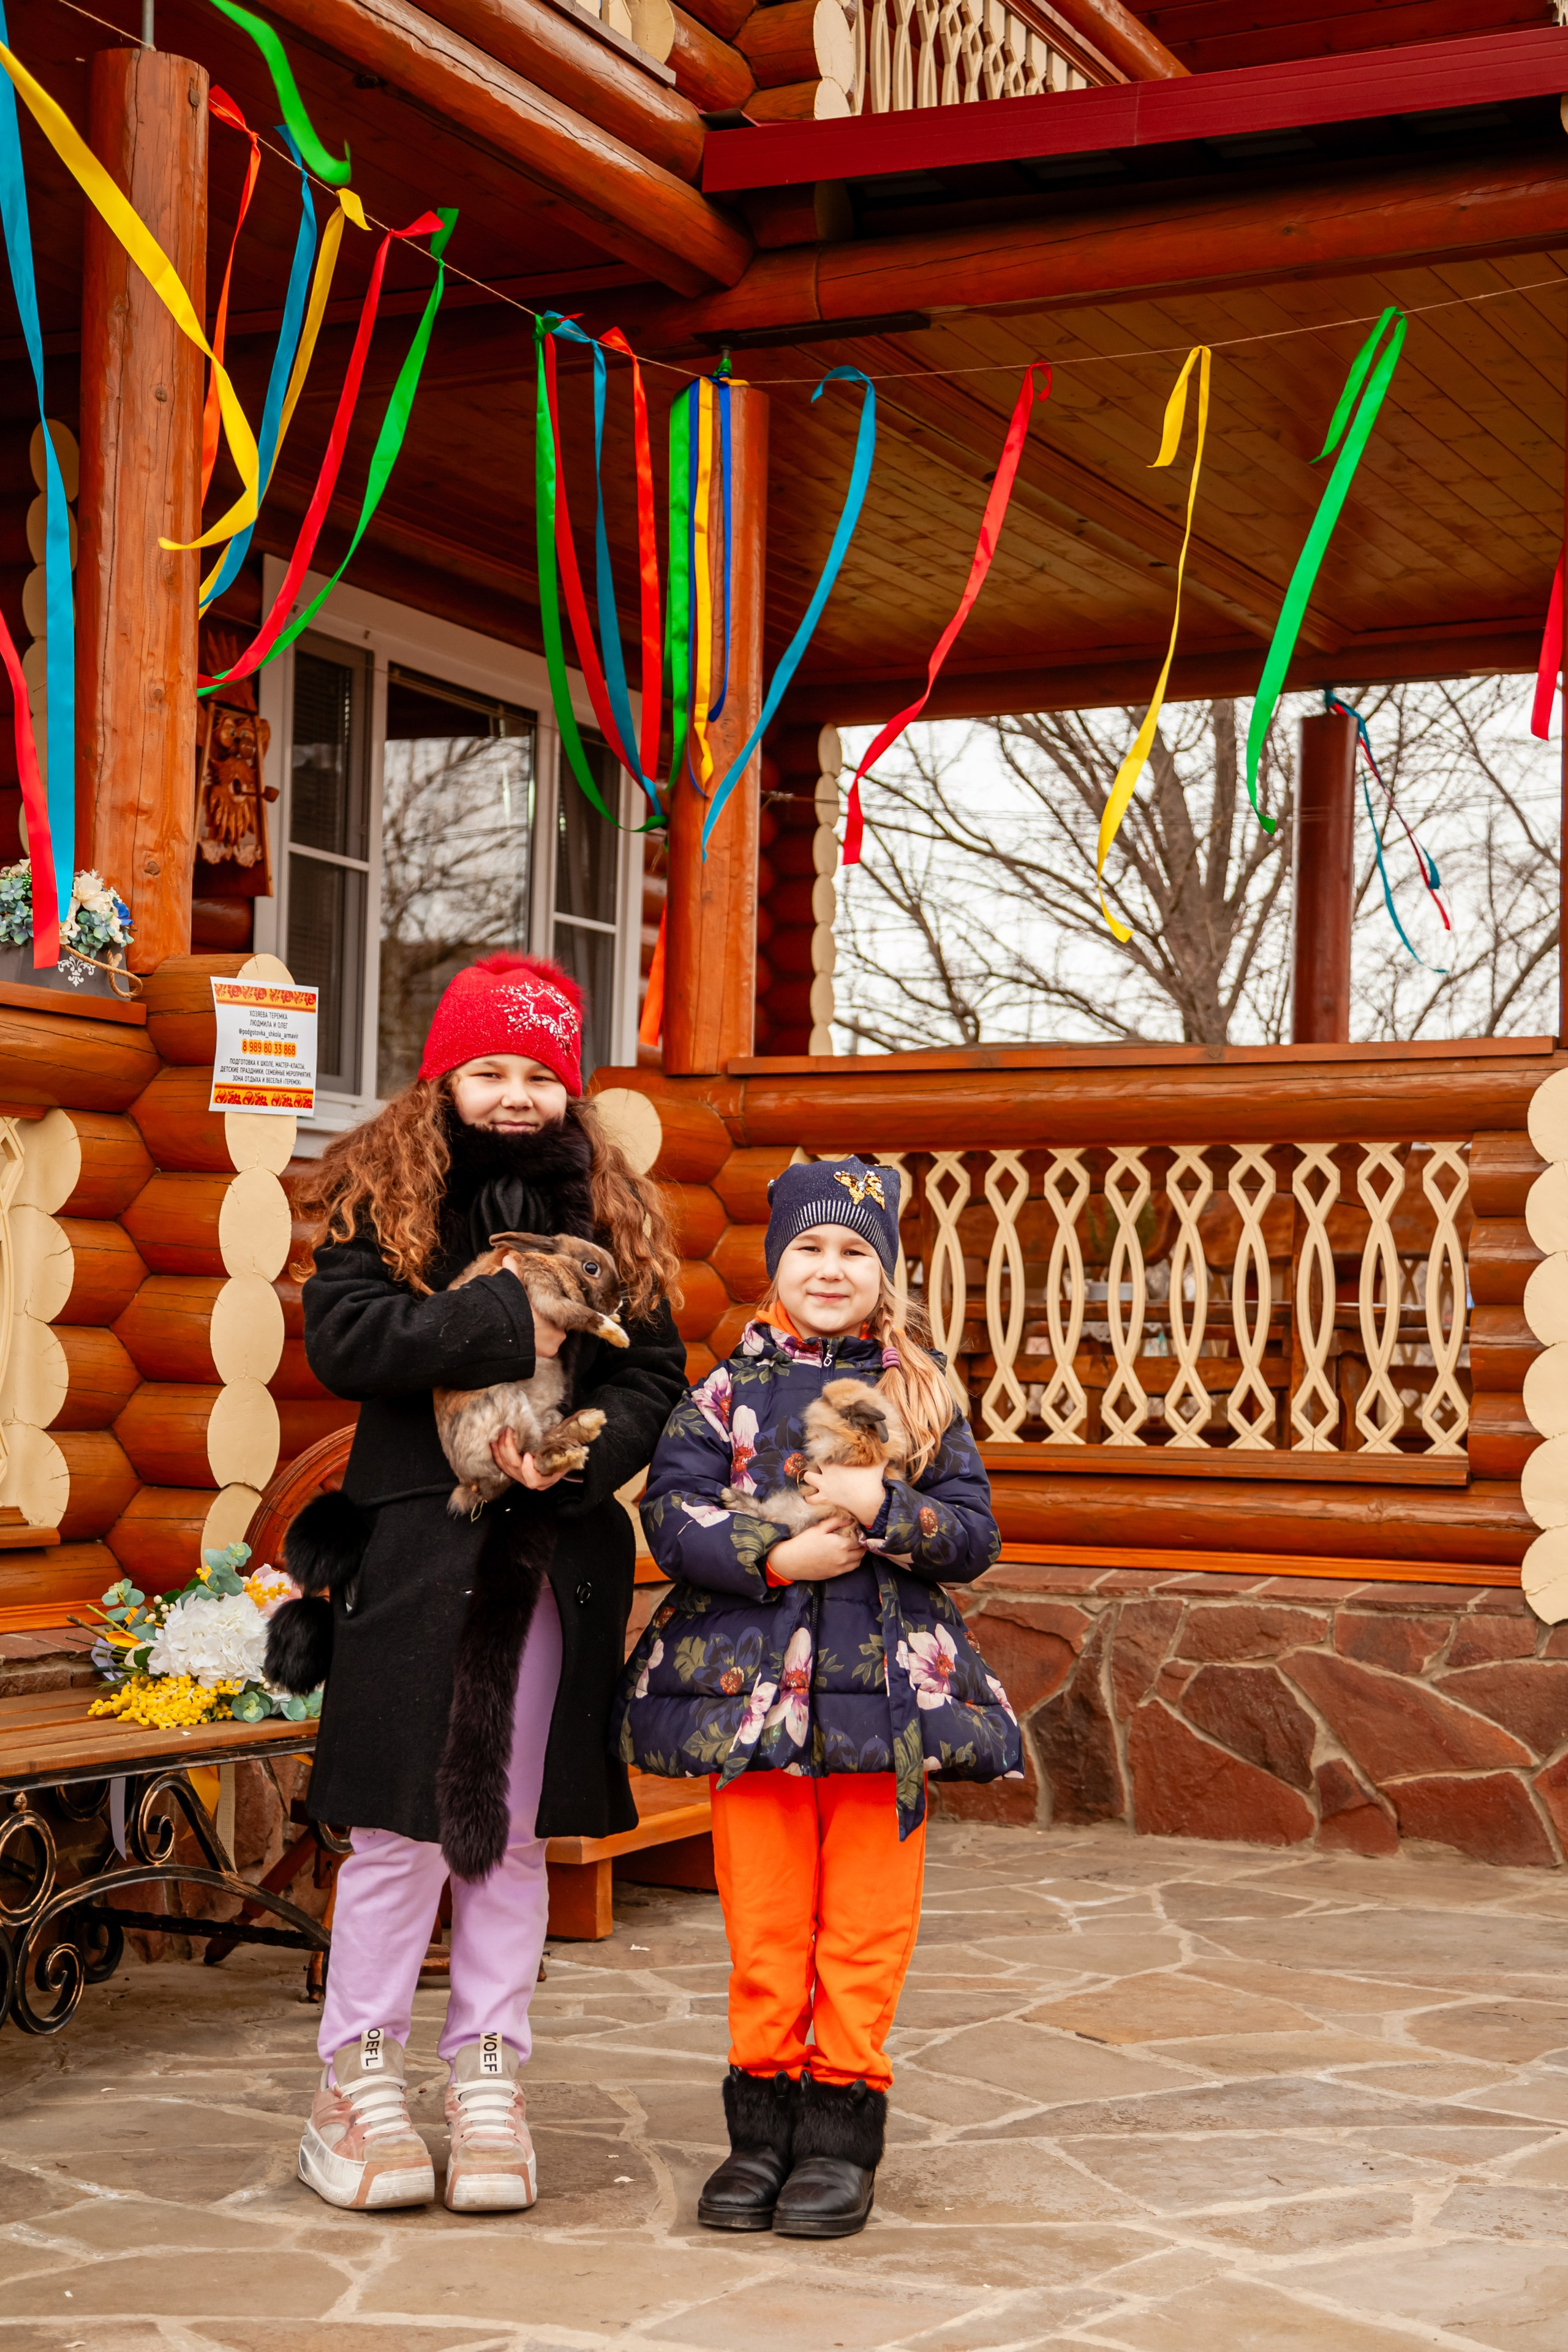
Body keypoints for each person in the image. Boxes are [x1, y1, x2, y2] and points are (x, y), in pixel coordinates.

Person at [265, 954, 686, 2216]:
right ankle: (354, 2079)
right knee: (400, 1827)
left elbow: (649, 1377)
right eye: (487, 1070)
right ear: (443, 1075)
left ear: (570, 1089)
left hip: (545, 1554)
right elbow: (348, 1345)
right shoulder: (378, 1198)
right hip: (416, 1548)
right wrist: (507, 1321)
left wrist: (575, 1455)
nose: (512, 1095)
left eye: (538, 1075)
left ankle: (487, 2068)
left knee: (505, 1829)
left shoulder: (612, 1215)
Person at [615, 1157, 1019, 2240]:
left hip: (886, 1711)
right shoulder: (725, 1394)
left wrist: (882, 1503)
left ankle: (838, 2136)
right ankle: (760, 2131)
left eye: (855, 1252)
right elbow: (674, 1515)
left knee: (864, 1929)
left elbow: (972, 1535)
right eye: (810, 1248)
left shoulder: (926, 1395)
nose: (831, 1268)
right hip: (759, 1709)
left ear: (886, 1275)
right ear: (776, 1264)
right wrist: (777, 1554)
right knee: (767, 1924)